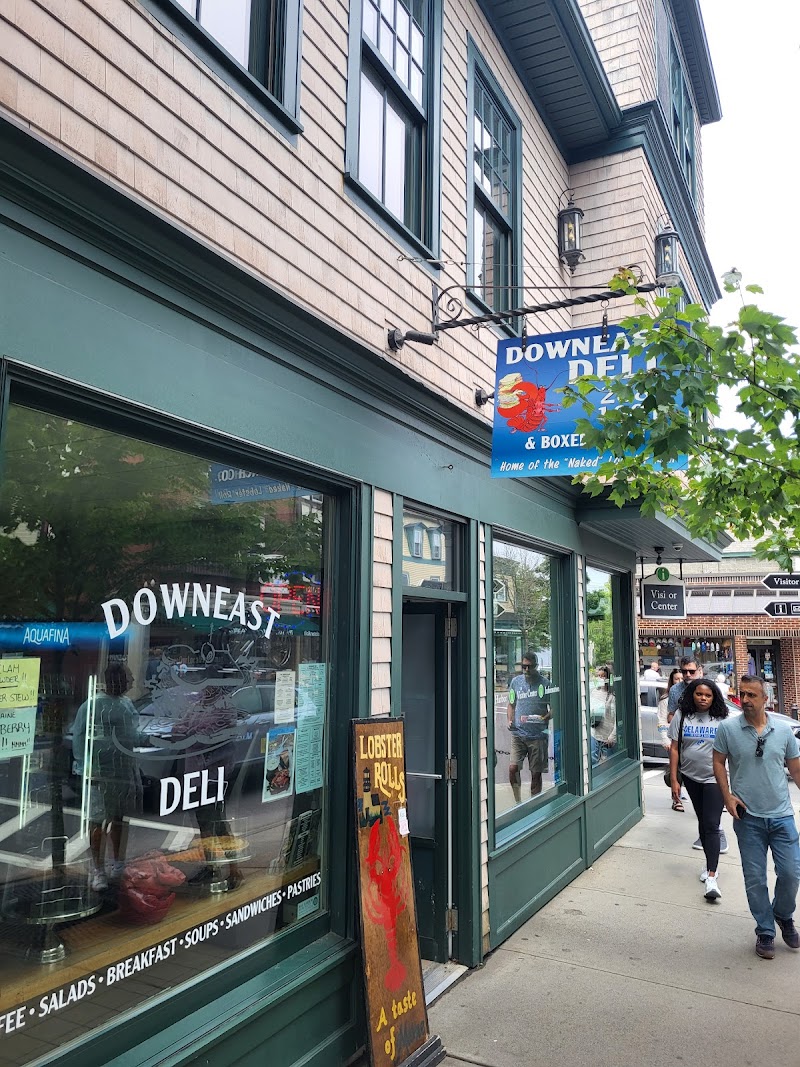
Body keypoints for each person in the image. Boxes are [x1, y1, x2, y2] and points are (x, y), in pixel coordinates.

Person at [713, 675, 800, 959]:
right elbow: (718, 760)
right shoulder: (728, 728)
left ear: (766, 699)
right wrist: (727, 796)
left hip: (781, 816)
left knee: (790, 873)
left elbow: (796, 770)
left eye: (752, 695)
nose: (746, 700)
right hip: (747, 817)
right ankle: (765, 930)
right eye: (742, 695)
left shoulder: (784, 732)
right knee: (755, 878)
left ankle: (783, 915)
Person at [72, 661, 147, 890]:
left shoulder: (126, 703)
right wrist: (84, 766)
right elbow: (79, 738)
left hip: (122, 772)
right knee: (97, 821)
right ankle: (98, 869)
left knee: (118, 818)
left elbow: (133, 735)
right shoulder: (92, 705)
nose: (132, 681)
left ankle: (118, 863)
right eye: (128, 677)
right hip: (99, 774)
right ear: (116, 680)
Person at [669, 677, 730, 902]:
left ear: (714, 697)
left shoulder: (723, 719)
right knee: (703, 822)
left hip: (716, 778)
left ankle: (712, 876)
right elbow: (675, 748)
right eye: (699, 694)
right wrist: (675, 779)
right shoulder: (682, 716)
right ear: (692, 694)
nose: (703, 698)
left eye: (708, 695)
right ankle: (709, 863)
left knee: (712, 824)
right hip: (690, 777)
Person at [507, 652, 551, 801]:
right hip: (518, 733)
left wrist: (544, 718)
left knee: (535, 774)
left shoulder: (545, 684)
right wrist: (510, 719)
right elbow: (511, 704)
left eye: (529, 667)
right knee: (513, 768)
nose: (526, 670)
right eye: (523, 666)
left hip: (538, 736)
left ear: (536, 666)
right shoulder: (516, 682)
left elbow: (555, 708)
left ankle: (534, 804)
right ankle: (518, 801)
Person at [591, 665, 616, 764]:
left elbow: (616, 718)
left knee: (607, 765)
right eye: (599, 676)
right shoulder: (594, 692)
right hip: (594, 734)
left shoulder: (612, 696)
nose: (600, 679)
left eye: (603, 676)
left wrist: (612, 737)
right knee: (593, 764)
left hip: (607, 737)